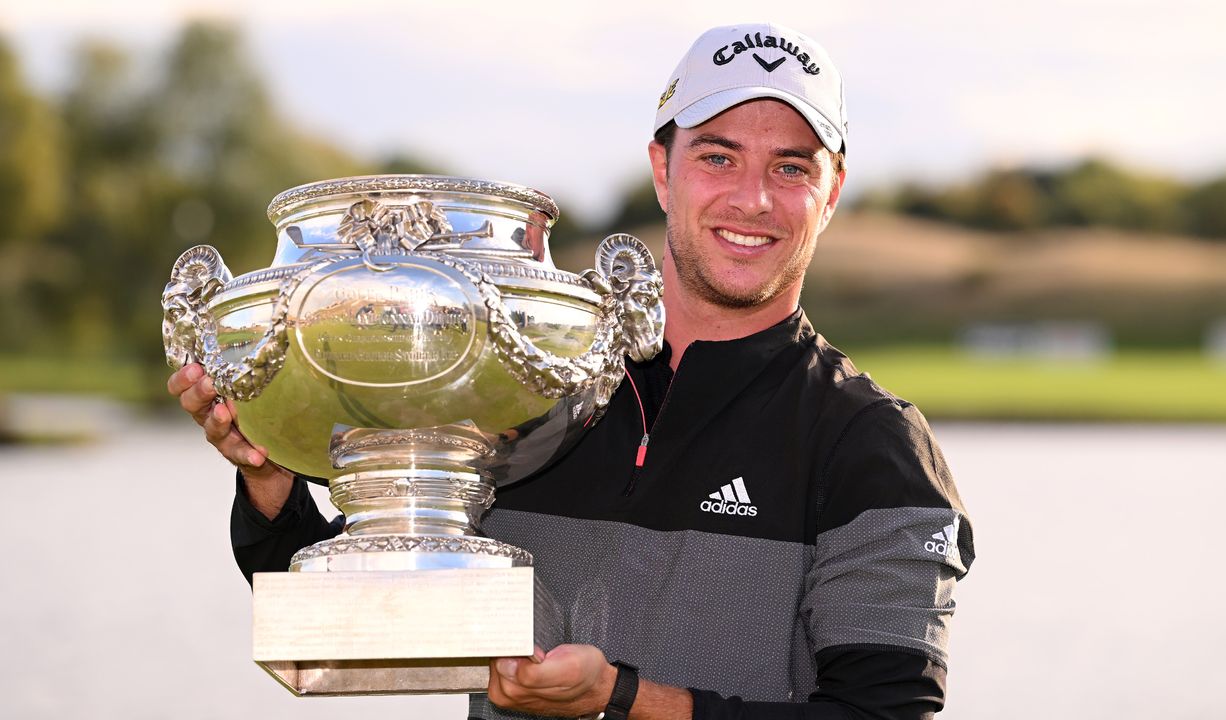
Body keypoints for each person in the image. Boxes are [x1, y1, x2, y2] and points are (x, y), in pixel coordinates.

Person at [168, 22, 974, 720]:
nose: (753, 198)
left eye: (792, 167)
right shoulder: (529, 382)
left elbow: (883, 711)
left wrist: (620, 698)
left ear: (832, 192)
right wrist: (272, 478)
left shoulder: (874, 444)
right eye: (718, 156)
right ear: (663, 169)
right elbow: (363, 615)